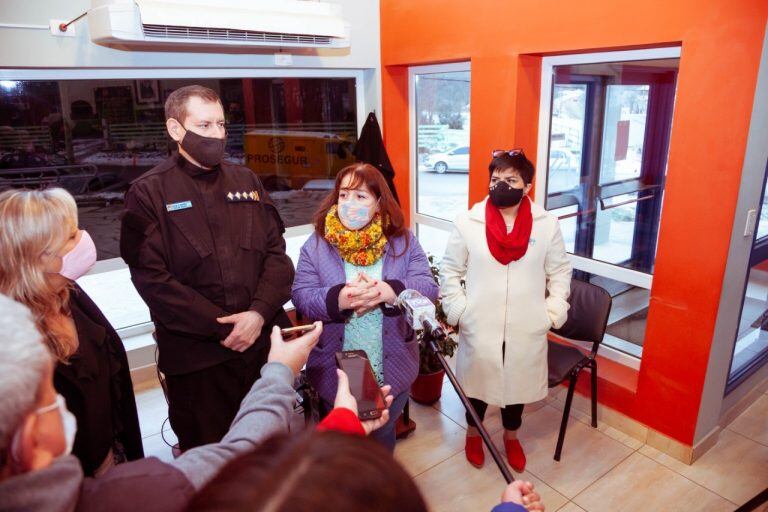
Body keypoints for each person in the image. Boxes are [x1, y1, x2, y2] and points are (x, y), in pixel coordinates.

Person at [0, 292, 338, 512]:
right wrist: (280, 370)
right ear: (31, 435)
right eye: (51, 393)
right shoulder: (138, 495)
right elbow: (241, 449)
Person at [120, 85, 295, 450]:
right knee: (211, 462)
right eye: (204, 124)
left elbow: (277, 257)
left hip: (261, 348)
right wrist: (223, 328)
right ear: (175, 130)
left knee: (271, 451)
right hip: (199, 360)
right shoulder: (148, 192)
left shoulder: (246, 181)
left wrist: (258, 315)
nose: (216, 134)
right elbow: (152, 279)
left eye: (221, 124)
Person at [440, 149, 572, 472]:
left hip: (526, 325)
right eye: (495, 179)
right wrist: (459, 311)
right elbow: (450, 270)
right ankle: (474, 432)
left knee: (517, 388)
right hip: (480, 322)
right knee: (477, 386)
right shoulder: (468, 222)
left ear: (527, 186)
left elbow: (560, 272)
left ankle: (511, 436)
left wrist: (552, 313)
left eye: (511, 180)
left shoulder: (546, 225)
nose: (501, 185)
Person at [291, 163, 439, 451]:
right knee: (341, 449)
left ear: (379, 202)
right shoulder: (318, 244)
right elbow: (301, 294)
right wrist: (339, 299)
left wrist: (391, 292)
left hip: (391, 364)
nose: (349, 204)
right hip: (338, 370)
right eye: (344, 195)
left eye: (360, 196)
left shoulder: (402, 240)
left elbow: (429, 288)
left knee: (381, 440)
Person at [0, 188, 143, 476]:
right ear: (36, 257)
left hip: (110, 458)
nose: (83, 239)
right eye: (70, 237)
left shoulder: (70, 294)